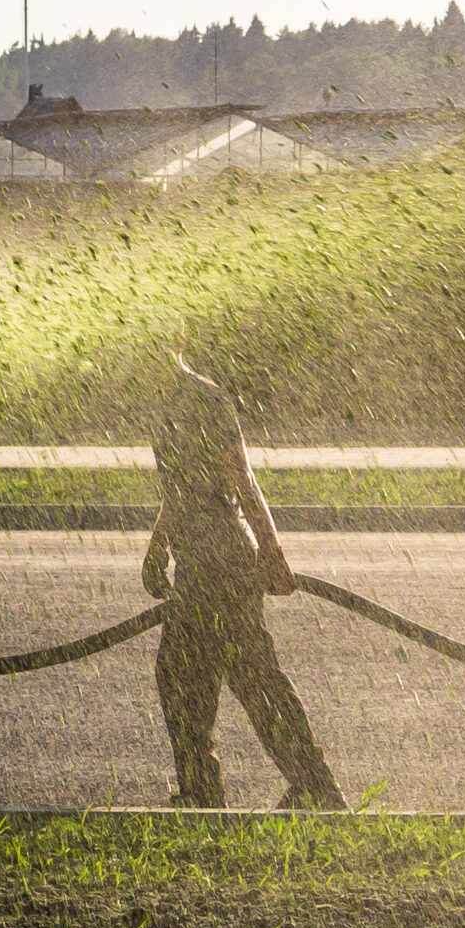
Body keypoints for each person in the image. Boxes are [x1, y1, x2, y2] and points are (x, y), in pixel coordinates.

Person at [141, 334, 343, 811]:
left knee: (249, 679)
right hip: (197, 564)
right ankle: (208, 792)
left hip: (225, 562)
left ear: (178, 341)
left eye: (154, 341)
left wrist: (271, 550)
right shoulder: (162, 405)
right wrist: (158, 544)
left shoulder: (206, 399)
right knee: (184, 678)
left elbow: (240, 477)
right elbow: (180, 486)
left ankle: (312, 789)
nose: (143, 352)